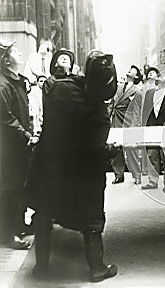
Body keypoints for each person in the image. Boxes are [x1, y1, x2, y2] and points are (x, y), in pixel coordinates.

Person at [26, 50, 119, 282]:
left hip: (51, 167)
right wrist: (113, 150)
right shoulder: (98, 112)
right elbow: (94, 150)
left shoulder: (60, 88)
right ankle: (97, 268)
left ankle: (42, 267)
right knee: (92, 221)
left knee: (44, 214)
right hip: (83, 176)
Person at [0, 40, 37, 250]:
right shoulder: (3, 85)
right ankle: (7, 234)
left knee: (19, 186)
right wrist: (25, 135)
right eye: (14, 52)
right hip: (8, 147)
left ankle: (19, 224)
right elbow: (6, 119)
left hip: (18, 144)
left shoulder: (17, 82)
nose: (19, 53)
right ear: (6, 62)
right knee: (8, 189)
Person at [141, 72, 165, 190]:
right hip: (151, 126)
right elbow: (145, 111)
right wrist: (144, 126)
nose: (162, 75)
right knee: (152, 153)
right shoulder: (149, 93)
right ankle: (153, 181)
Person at [110, 64, 143, 184]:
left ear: (137, 76)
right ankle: (119, 175)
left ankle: (137, 175)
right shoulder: (119, 86)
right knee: (116, 148)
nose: (129, 71)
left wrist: (135, 125)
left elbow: (137, 110)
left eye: (132, 71)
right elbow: (112, 103)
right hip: (116, 119)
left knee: (130, 149)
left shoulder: (138, 91)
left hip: (128, 121)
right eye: (129, 69)